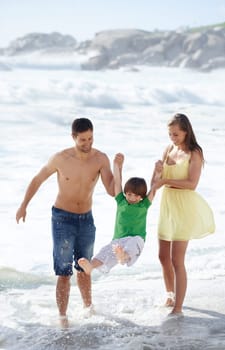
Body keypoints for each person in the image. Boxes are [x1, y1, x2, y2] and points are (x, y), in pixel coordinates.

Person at [16, 118, 115, 326]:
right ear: (73, 137)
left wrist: (119, 169)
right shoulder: (61, 158)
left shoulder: (100, 159)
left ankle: (89, 310)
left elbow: (111, 190)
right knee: (63, 270)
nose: (87, 144)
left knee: (84, 268)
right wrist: (24, 204)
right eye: (82, 140)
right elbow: (38, 179)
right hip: (62, 218)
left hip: (86, 219)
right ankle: (63, 317)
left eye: (90, 138)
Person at [151, 113, 215, 318]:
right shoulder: (168, 149)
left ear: (186, 131)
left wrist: (164, 182)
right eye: (170, 134)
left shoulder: (194, 152)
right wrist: (157, 172)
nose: (172, 138)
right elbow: (156, 181)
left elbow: (191, 184)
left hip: (184, 207)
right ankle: (170, 295)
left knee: (176, 259)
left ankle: (178, 307)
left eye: (176, 134)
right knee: (162, 257)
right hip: (167, 207)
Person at [78, 153, 161, 275]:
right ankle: (91, 266)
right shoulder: (121, 201)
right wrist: (117, 165)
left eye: (137, 196)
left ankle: (124, 256)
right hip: (118, 240)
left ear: (142, 197)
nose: (132, 198)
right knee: (105, 252)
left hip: (136, 238)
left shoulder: (144, 205)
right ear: (126, 193)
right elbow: (117, 181)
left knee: (131, 245)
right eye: (129, 194)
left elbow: (154, 187)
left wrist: (157, 172)